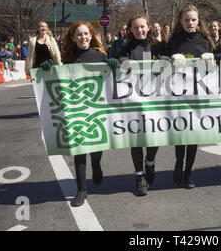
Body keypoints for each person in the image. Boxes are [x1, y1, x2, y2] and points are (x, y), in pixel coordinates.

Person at [166, 5, 217, 189]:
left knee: (194, 135)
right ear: (180, 21)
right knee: (181, 134)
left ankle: (189, 172)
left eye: (193, 20)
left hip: (198, 94)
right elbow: (163, 63)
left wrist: (210, 59)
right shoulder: (174, 40)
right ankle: (179, 164)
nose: (190, 23)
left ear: (198, 21)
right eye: (186, 20)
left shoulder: (204, 40)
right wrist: (172, 57)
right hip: (179, 94)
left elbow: (213, 70)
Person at [61, 21, 108, 207]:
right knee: (79, 150)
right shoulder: (68, 57)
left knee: (96, 147)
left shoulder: (99, 56)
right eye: (79, 34)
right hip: (76, 108)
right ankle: (82, 189)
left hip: (97, 107)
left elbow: (113, 79)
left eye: (86, 34)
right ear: (73, 37)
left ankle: (96, 164)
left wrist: (114, 64)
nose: (83, 37)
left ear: (91, 35)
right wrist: (47, 69)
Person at [115, 14, 160, 196]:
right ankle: (139, 177)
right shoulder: (126, 49)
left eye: (142, 27)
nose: (140, 30)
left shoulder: (155, 47)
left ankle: (150, 162)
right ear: (130, 30)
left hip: (156, 99)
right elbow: (121, 65)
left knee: (155, 135)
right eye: (136, 28)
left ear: (148, 27)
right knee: (136, 139)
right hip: (134, 99)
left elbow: (167, 63)